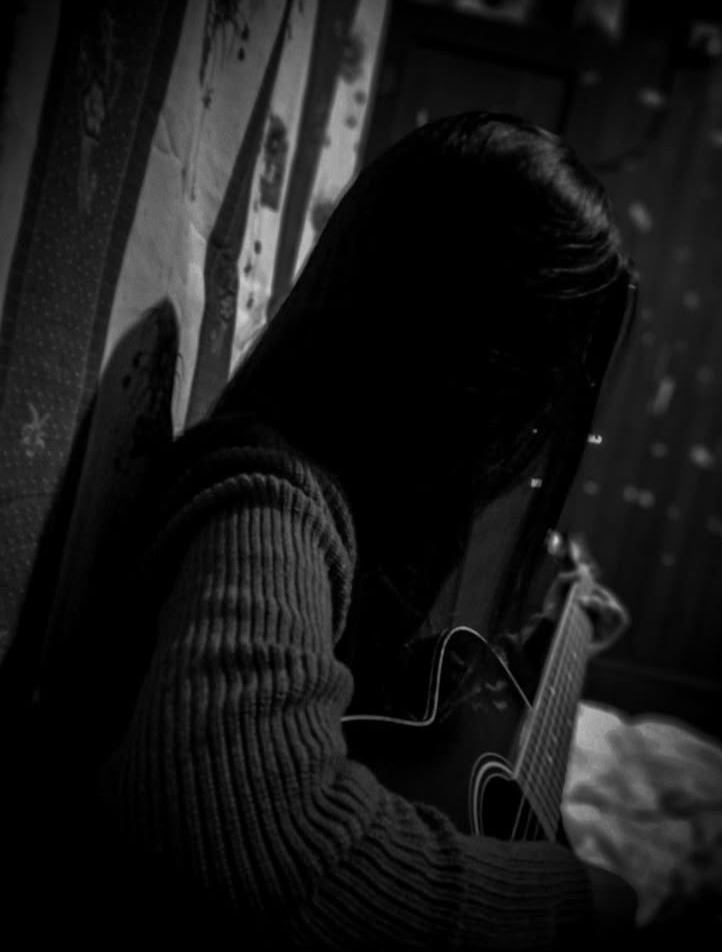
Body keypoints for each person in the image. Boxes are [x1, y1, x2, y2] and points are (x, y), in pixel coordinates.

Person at [42, 112, 640, 947]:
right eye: (532, 399)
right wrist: (569, 899)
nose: (526, 445)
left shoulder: (339, 505)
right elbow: (258, 837)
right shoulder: (268, 506)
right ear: (460, 359)